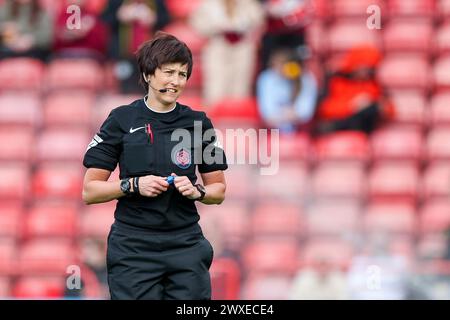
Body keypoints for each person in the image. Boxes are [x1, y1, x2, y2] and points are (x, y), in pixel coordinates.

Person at [82, 32, 228, 300]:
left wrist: (197, 192)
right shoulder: (121, 119)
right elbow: (90, 191)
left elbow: (218, 190)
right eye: (168, 72)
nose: (176, 81)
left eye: (182, 74)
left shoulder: (198, 122)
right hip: (133, 248)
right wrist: (133, 185)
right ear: (148, 74)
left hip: (185, 244)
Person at [190, 0, 264, 105]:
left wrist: (243, 25)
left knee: (240, 87)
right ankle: (213, 117)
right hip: (218, 44)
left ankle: (237, 115)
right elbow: (198, 24)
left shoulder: (248, 3)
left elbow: (258, 21)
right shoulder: (208, 4)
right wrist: (217, 26)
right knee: (216, 86)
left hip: (242, 46)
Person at [313, 44, 395, 135]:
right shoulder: (335, 79)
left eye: (369, 69)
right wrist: (353, 105)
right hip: (336, 126)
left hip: (361, 129)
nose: (365, 73)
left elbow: (389, 110)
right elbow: (323, 109)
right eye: (362, 67)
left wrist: (380, 106)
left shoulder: (373, 84)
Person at [256, 46, 318, 133]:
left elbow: (306, 112)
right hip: (274, 133)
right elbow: (268, 114)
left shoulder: (306, 79)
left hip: (300, 133)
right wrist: (286, 115)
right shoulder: (266, 79)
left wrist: (292, 115)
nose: (281, 69)